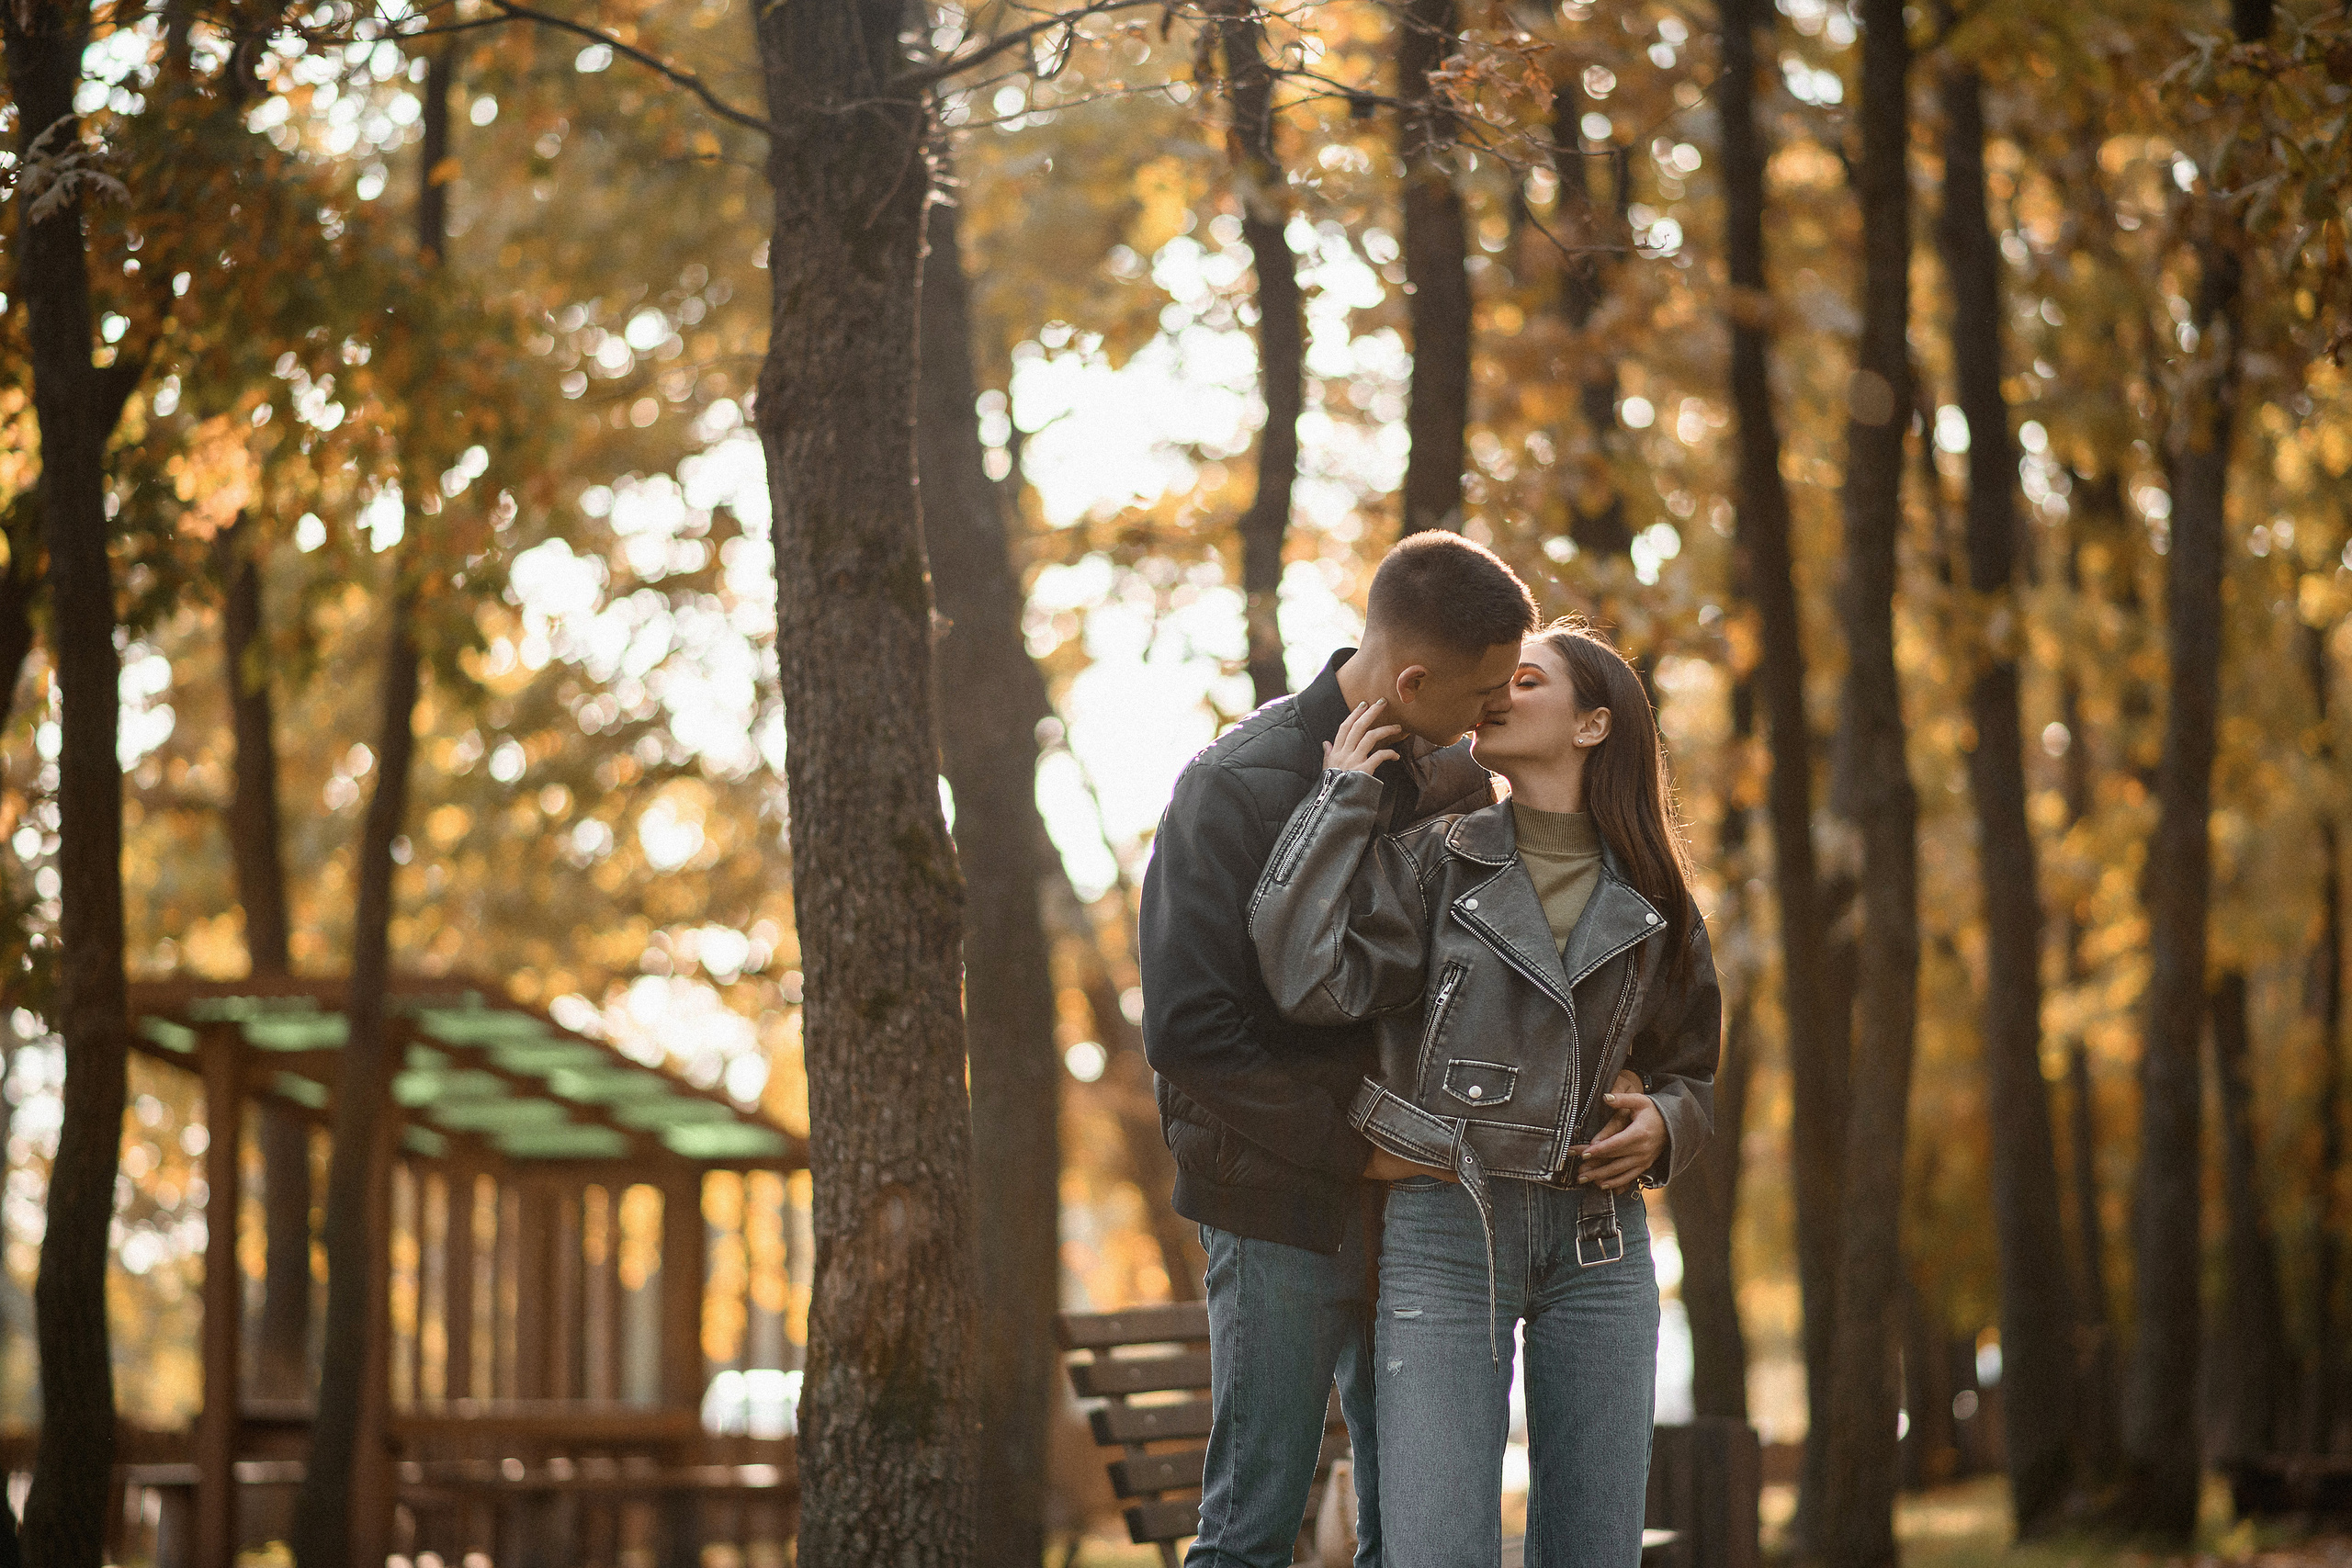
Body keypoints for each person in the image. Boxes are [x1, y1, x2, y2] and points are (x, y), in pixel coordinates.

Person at [1249, 618, 1721, 1568]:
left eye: (1527, 680)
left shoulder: (1657, 891)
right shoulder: (1433, 857)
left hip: (1600, 1240)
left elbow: (1690, 1066)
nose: (1496, 692)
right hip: (1444, 1228)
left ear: (1592, 726)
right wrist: (1340, 797)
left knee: (1595, 1553)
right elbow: (1304, 976)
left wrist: (1666, 1125)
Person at [1138, 532, 1538, 1568]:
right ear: (1412, 680)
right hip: (1275, 1207)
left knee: (1409, 1530)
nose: (1493, 712)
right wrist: (1352, 1148)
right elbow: (1189, 1032)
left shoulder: (1454, 787)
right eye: (1484, 690)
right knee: (1254, 1524)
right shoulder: (1231, 786)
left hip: (1419, 1213)